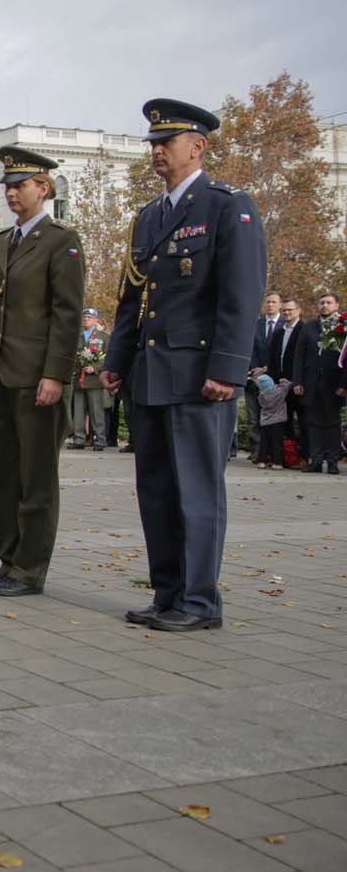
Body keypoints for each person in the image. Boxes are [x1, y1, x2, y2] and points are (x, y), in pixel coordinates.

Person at [101, 98, 266, 632]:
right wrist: (117, 359)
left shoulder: (226, 205)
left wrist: (228, 368)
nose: (155, 152)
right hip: (151, 375)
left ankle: (200, 601)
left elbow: (240, 296)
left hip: (200, 377)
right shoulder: (150, 216)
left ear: (196, 147)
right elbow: (133, 299)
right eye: (152, 143)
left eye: (165, 143)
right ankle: (167, 593)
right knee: (156, 491)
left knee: (197, 491)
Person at [0, 146, 85, 597]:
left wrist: (56, 374)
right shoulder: (1, 243)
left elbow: (67, 314)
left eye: (20, 185)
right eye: (8, 187)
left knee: (36, 478)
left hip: (37, 376)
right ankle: (8, 559)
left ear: (44, 187)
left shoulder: (61, 241)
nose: (12, 193)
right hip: (1, 375)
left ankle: (30, 569)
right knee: (4, 476)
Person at [301, 293, 343, 473]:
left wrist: (344, 384)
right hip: (312, 383)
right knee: (314, 423)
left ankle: (333, 462)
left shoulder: (343, 327)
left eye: (329, 302)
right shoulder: (309, 327)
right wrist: (298, 380)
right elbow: (299, 355)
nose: (325, 305)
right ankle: (316, 460)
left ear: (337, 305)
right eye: (322, 302)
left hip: (334, 384)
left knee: (333, 424)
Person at [267, 297, 308, 465]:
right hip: (280, 384)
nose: (286, 313)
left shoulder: (304, 330)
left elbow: (305, 359)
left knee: (303, 421)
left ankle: (306, 456)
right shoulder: (279, 332)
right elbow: (273, 358)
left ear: (298, 310)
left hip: (297, 383)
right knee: (285, 421)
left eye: (290, 310)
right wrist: (274, 380)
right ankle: (288, 456)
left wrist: (298, 381)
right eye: (284, 310)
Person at [246, 291, 283, 457]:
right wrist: (255, 369)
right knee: (254, 417)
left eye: (274, 302)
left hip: (276, 377)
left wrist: (267, 368)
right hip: (254, 376)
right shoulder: (256, 324)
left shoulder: (286, 324)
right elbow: (250, 348)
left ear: (280, 305)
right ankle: (257, 450)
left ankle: (274, 452)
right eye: (268, 302)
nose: (270, 305)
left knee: (273, 418)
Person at [68, 308, 109, 451]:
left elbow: (109, 357)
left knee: (96, 411)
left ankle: (100, 439)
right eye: (85, 317)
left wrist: (95, 367)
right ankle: (79, 438)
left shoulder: (103, 337)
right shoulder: (76, 337)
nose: (86, 319)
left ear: (97, 320)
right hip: (79, 378)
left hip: (95, 379)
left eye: (90, 317)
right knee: (78, 411)